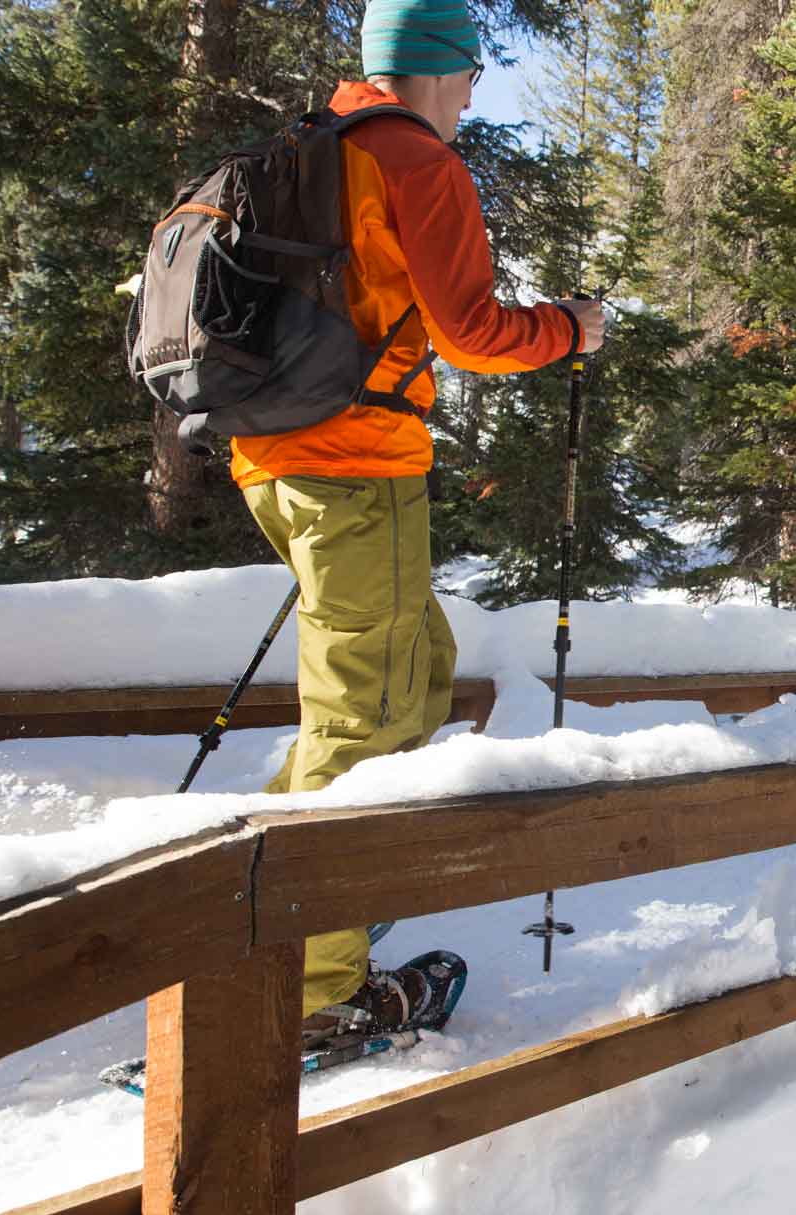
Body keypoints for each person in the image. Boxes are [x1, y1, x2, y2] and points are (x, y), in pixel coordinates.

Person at [231, 0, 605, 1045]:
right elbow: (475, 331)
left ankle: (267, 914)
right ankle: (300, 984)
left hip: (274, 458)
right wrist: (570, 330)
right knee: (371, 717)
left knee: (409, 673)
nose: (477, 92)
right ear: (439, 66)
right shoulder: (413, 160)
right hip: (355, 463)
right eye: (472, 72)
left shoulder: (315, 144)